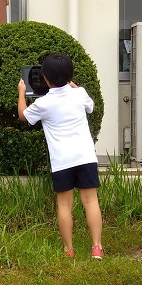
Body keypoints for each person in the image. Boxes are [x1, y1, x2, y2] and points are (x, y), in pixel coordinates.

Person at [17, 53, 104, 259]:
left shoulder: (43, 103)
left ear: (45, 78)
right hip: (85, 157)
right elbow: (90, 107)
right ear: (70, 75)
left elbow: (23, 116)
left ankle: (69, 250)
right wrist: (74, 87)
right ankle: (97, 248)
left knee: (65, 204)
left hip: (62, 161)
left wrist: (22, 92)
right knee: (91, 201)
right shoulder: (80, 93)